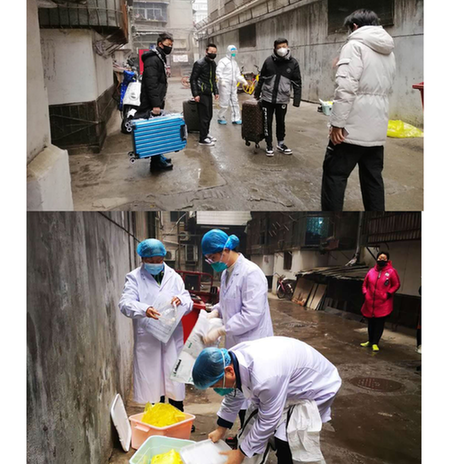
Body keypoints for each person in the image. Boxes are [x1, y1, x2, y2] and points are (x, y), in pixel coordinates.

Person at [192, 337, 342, 464]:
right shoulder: (230, 361)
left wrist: (240, 454)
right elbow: (234, 394)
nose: (217, 390)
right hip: (286, 382)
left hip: (316, 385)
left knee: (288, 439)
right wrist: (221, 429)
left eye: (216, 385)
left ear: (229, 371)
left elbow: (268, 420)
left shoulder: (265, 378)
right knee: (261, 429)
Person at [201, 229, 274, 446]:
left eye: (213, 257)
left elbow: (251, 315)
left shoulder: (251, 273)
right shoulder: (227, 273)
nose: (212, 262)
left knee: (253, 394)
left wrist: (221, 330)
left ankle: (254, 442)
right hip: (237, 341)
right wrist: (215, 311)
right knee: (239, 390)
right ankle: (243, 434)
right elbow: (227, 301)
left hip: (254, 340)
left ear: (225, 250)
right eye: (208, 259)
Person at [321, 9, 396, 211]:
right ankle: (376, 222)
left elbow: (346, 88)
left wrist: (337, 124)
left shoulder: (353, 46)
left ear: (355, 26)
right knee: (373, 180)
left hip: (351, 130)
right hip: (376, 129)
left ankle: (331, 223)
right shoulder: (388, 51)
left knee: (334, 175)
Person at [119, 238, 193, 410]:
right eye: (150, 261)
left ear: (163, 258)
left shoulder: (174, 277)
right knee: (152, 389)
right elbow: (125, 304)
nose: (155, 264)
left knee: (174, 386)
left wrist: (180, 300)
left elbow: (188, 301)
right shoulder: (134, 278)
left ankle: (177, 416)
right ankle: (156, 418)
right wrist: (144, 309)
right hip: (149, 338)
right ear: (143, 259)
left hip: (171, 336)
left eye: (158, 260)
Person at [254, 38, 302, 157]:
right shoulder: (268, 61)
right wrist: (257, 93)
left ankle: (281, 143)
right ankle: (269, 144)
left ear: (288, 47)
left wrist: (297, 100)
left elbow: (297, 82)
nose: (282, 49)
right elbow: (261, 78)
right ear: (274, 49)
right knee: (267, 122)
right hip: (267, 98)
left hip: (282, 98)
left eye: (284, 46)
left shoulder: (293, 63)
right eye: (279, 47)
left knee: (281, 122)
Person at [136, 33, 175, 171]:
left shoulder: (159, 57)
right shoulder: (153, 60)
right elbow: (151, 84)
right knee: (155, 131)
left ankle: (158, 156)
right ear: (160, 44)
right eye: (168, 44)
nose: (170, 47)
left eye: (171, 45)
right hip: (152, 102)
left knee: (158, 128)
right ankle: (156, 163)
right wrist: (156, 105)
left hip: (156, 99)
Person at [360, 251, 401, 352]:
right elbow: (365, 285)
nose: (381, 260)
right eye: (380, 258)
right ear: (377, 259)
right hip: (370, 302)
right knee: (370, 323)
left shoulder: (391, 272)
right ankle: (370, 341)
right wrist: (365, 293)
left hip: (383, 303)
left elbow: (396, 284)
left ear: (387, 260)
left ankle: (375, 343)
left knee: (379, 324)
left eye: (384, 258)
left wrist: (388, 294)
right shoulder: (371, 271)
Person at [190, 44, 220, 146]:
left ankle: (206, 134)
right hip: (201, 93)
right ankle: (202, 138)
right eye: (211, 52)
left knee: (209, 115)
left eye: (215, 52)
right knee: (204, 116)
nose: (213, 54)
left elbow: (213, 80)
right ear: (206, 52)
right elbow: (193, 79)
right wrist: (196, 94)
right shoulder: (199, 63)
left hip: (208, 93)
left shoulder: (213, 64)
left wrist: (216, 91)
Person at [216, 45, 248, 125]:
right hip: (224, 85)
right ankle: (221, 117)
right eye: (232, 51)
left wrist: (242, 80)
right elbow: (219, 72)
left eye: (234, 52)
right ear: (228, 52)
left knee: (234, 102)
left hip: (233, 85)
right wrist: (221, 80)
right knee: (224, 103)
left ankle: (236, 118)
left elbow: (237, 74)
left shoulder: (234, 63)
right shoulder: (223, 61)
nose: (233, 53)